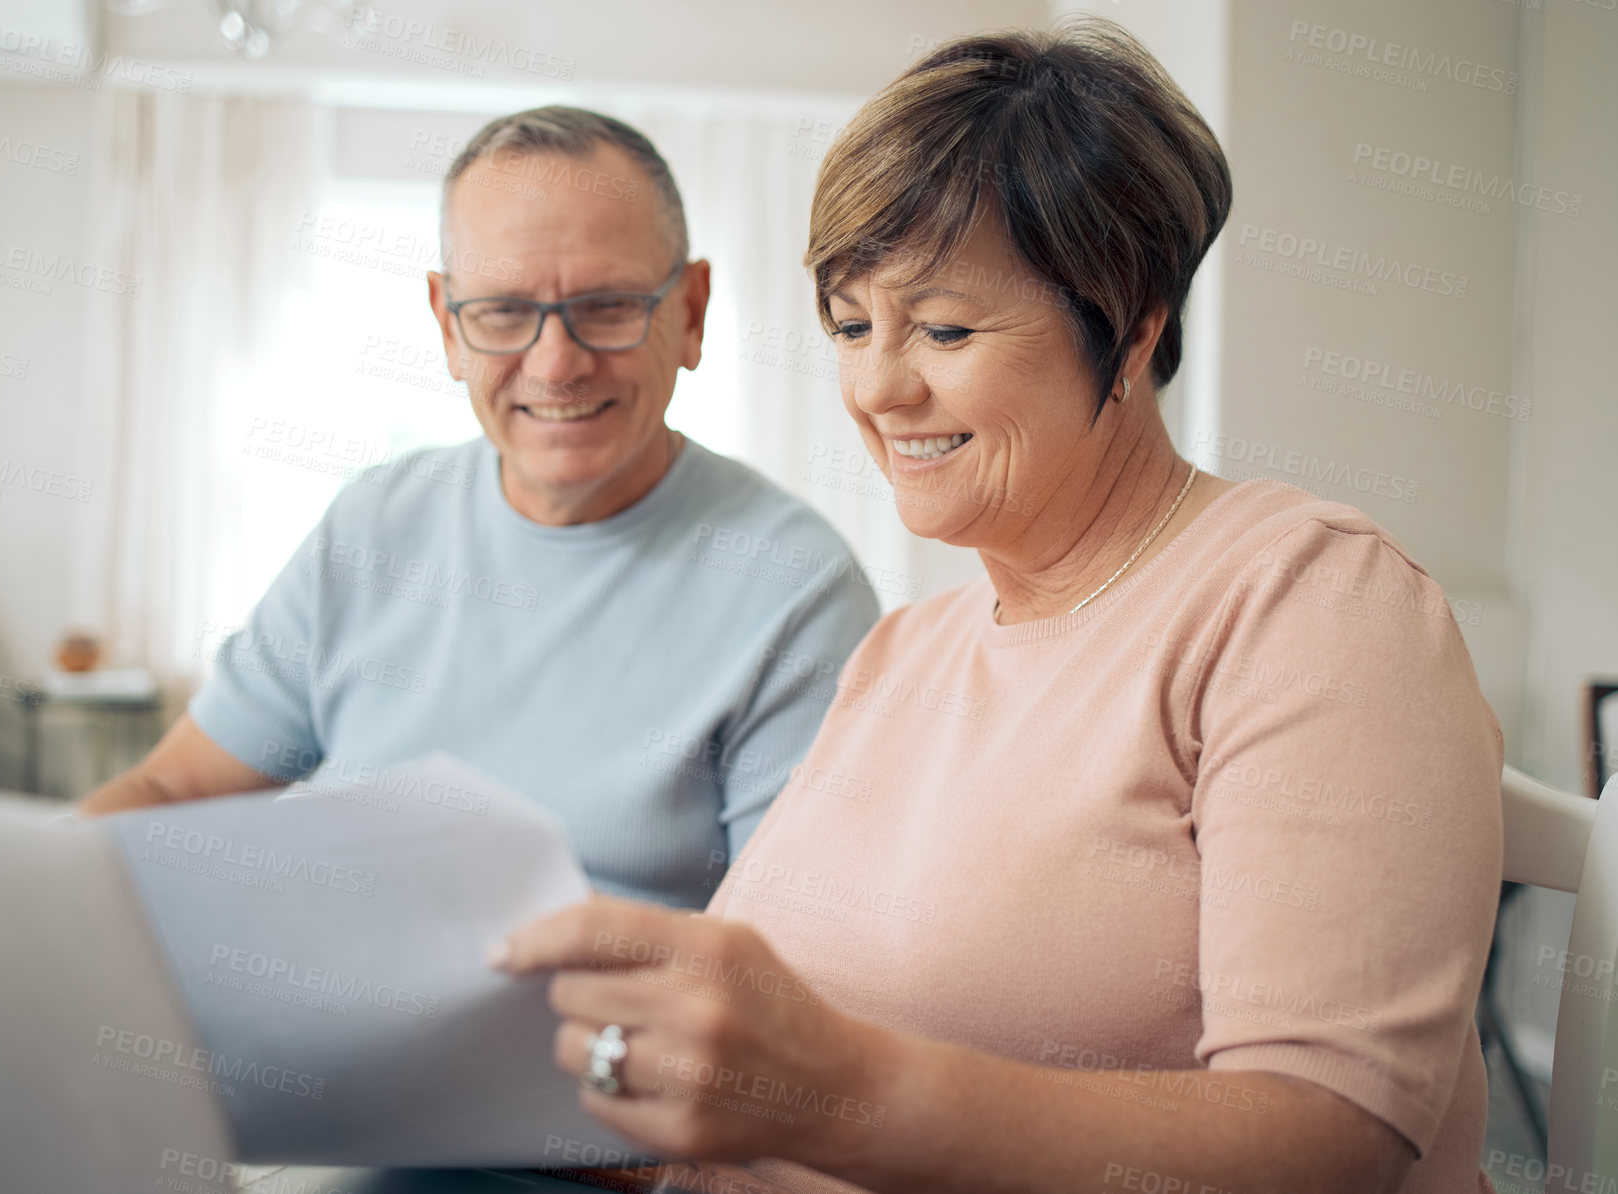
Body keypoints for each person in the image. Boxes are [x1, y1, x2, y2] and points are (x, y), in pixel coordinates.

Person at [496, 22, 1504, 1194]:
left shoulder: (1308, 601)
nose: (878, 387)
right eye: (853, 324)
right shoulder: (904, 653)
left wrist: (840, 1098)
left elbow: (1328, 1142)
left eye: (945, 328)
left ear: (1131, 328)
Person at [77, 107, 881, 908]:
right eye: (503, 312)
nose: (556, 363)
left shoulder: (797, 589)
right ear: (448, 326)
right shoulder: (371, 526)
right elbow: (173, 794)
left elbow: (780, 966)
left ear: (691, 312)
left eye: (606, 305)